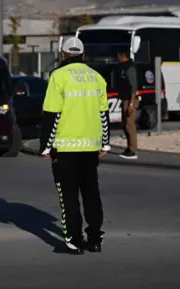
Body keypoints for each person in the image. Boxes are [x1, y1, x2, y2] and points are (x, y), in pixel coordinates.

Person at [39, 37, 110, 255]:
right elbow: (103, 114)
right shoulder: (97, 77)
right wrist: (105, 144)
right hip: (90, 147)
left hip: (66, 147)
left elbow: (52, 114)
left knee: (68, 196)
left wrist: (46, 146)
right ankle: (95, 239)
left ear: (62, 54)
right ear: (82, 54)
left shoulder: (58, 76)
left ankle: (74, 240)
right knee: (91, 193)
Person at [116, 49, 138, 160]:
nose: (117, 57)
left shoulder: (129, 68)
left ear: (123, 55)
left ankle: (132, 150)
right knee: (125, 125)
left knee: (130, 125)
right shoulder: (122, 67)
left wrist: (131, 103)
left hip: (130, 100)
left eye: (118, 55)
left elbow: (134, 87)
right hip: (124, 99)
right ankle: (129, 147)